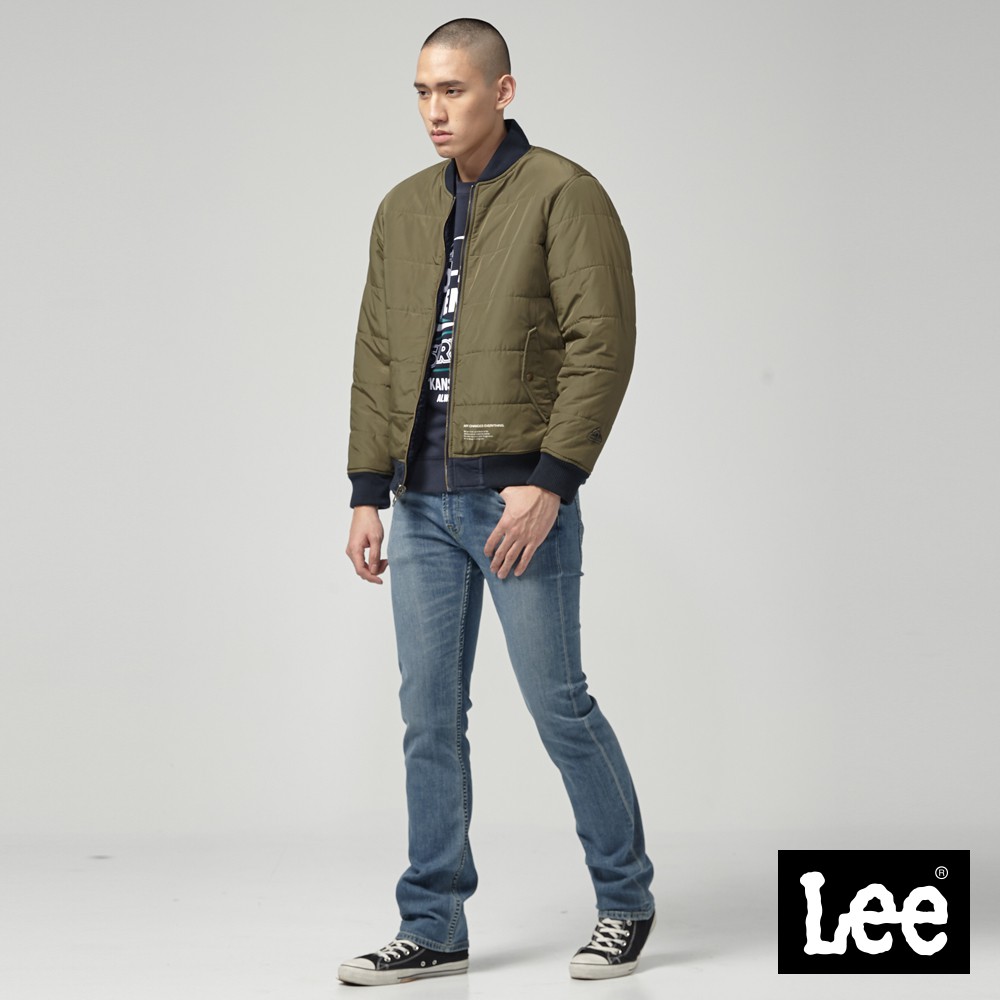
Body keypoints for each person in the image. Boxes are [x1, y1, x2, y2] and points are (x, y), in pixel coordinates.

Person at [340, 18, 655, 986]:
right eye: (422, 92)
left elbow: (602, 343)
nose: (435, 111)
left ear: (502, 91)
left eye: (454, 90)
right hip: (421, 505)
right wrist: (366, 491)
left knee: (559, 706)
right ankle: (432, 921)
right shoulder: (402, 209)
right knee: (427, 716)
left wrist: (551, 483)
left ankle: (625, 901)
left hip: (517, 500)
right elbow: (377, 353)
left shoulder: (564, 192)